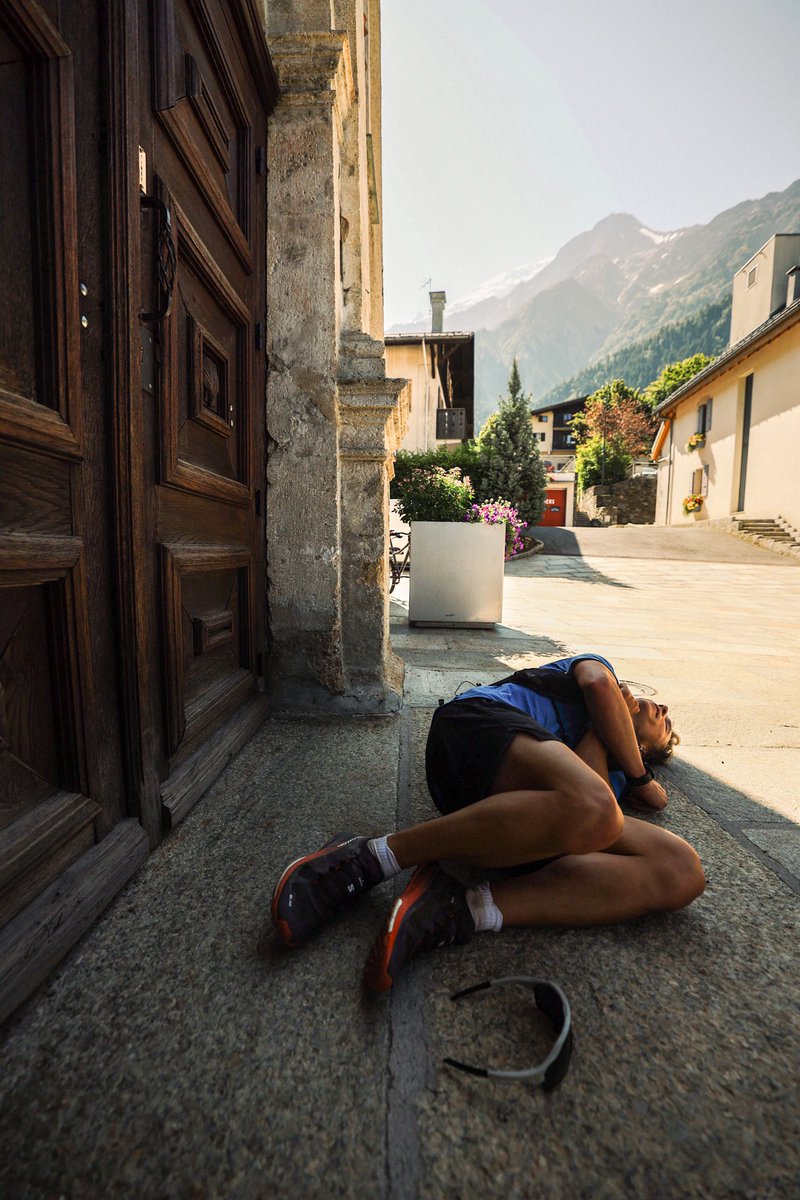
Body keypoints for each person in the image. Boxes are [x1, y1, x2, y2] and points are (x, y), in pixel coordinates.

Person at [271, 653, 705, 992]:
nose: (663, 707)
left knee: (681, 872)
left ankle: (462, 908)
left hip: (516, 821)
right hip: (473, 731)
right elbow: (595, 684)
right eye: (663, 710)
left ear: (650, 750)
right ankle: (373, 857)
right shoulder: (599, 673)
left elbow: (589, 812)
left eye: (666, 724)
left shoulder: (609, 781)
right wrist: (640, 777)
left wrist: (609, 746)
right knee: (599, 810)